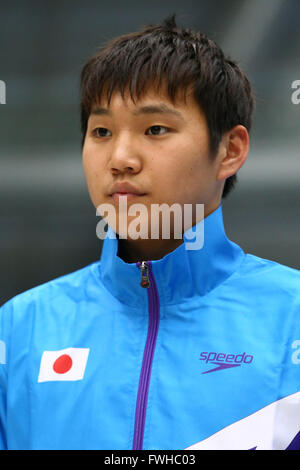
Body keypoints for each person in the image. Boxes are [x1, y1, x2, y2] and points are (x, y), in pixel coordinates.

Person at [0, 14, 299, 451]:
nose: (120, 158)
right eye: (100, 131)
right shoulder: (19, 329)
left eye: (155, 129)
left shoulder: (291, 319)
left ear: (229, 151)